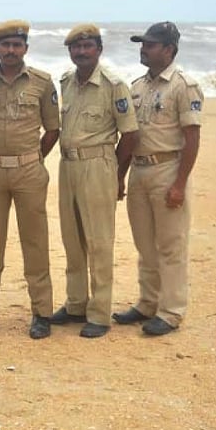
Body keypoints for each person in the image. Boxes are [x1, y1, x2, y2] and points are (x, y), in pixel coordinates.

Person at [0, 20, 60, 340]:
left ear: (26, 49)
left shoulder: (43, 83)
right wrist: (1, 159)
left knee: (35, 242)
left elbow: (53, 130)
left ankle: (42, 313)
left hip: (29, 172)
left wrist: (31, 159)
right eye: (5, 45)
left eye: (16, 45)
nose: (10, 50)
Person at [113, 21, 203, 336]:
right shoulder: (137, 86)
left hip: (168, 169)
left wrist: (179, 184)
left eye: (150, 44)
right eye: (142, 43)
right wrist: (120, 175)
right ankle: (147, 303)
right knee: (145, 245)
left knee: (171, 246)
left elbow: (192, 138)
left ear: (168, 49)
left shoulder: (183, 85)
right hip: (139, 171)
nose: (143, 48)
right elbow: (130, 136)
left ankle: (171, 311)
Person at [50, 24, 138, 338]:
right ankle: (76, 304)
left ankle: (99, 314)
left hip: (98, 165)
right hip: (68, 165)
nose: (81, 52)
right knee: (72, 240)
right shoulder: (66, 83)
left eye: (87, 46)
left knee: (99, 242)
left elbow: (129, 134)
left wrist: (117, 175)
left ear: (99, 50)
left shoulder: (114, 85)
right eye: (76, 47)